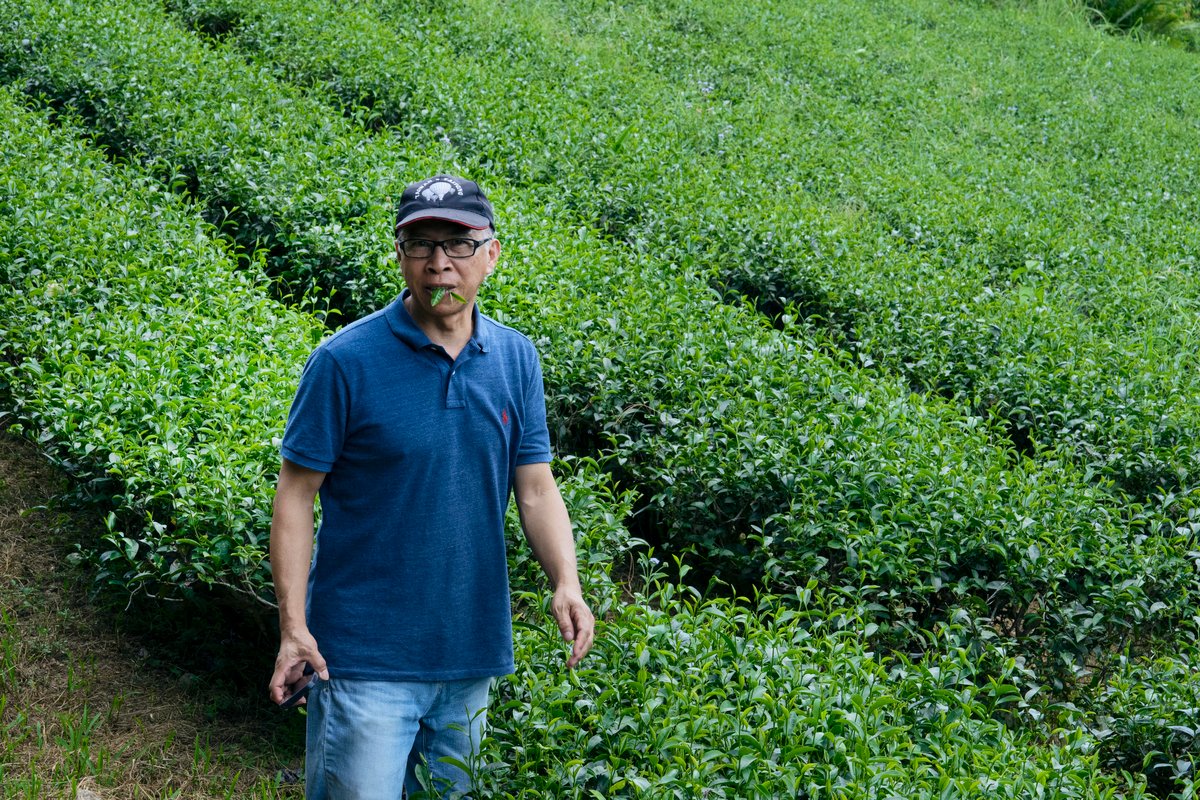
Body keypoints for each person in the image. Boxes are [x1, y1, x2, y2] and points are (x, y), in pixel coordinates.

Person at [267, 174, 595, 799]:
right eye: (421, 246)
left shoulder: (516, 359)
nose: (439, 264)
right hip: (361, 659)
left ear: (492, 254)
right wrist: (293, 625)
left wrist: (566, 580)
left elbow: (535, 487)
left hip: (470, 656)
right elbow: (296, 493)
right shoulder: (345, 361)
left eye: (459, 245)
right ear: (399, 255)